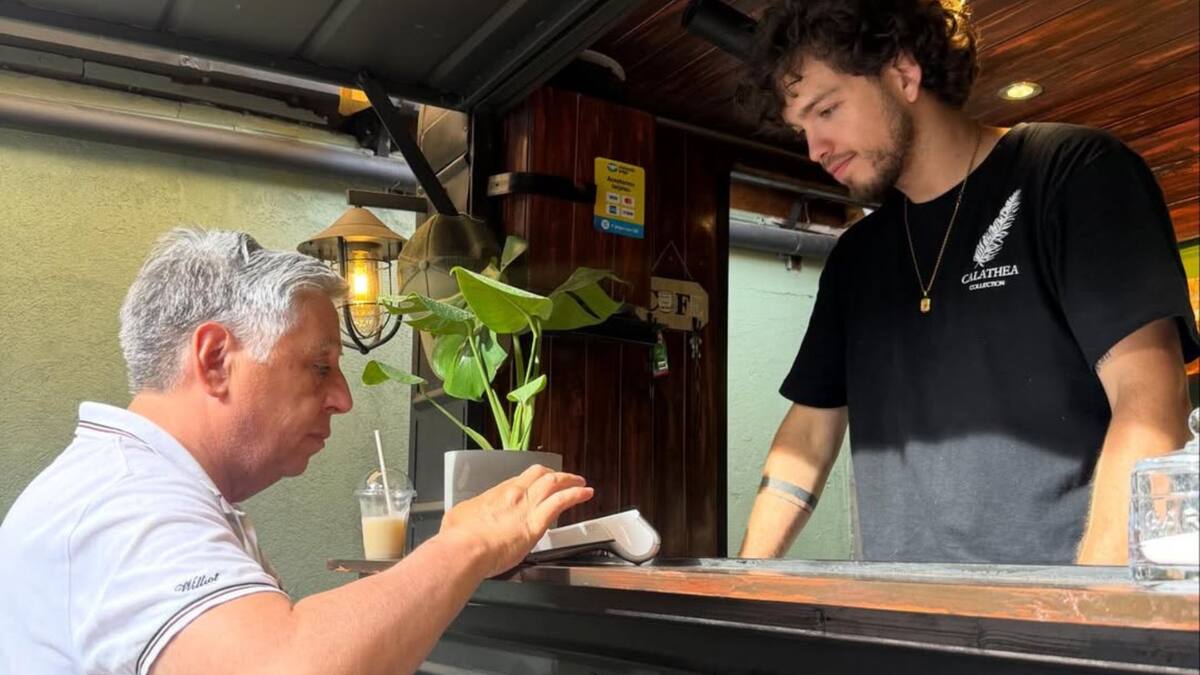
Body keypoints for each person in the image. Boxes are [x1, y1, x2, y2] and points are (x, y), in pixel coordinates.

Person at [0, 228, 593, 674]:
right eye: (318, 366)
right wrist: (469, 541)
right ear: (214, 360)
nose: (342, 399)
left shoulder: (136, 484)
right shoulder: (125, 503)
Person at [736, 0, 1199, 564]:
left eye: (826, 110)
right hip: (903, 621)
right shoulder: (856, 256)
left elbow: (1149, 401)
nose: (815, 149)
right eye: (800, 128)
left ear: (903, 74)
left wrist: (1088, 605)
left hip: (1052, 617)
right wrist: (746, 579)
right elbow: (809, 430)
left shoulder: (1071, 172)